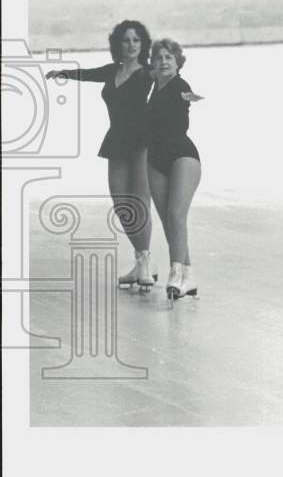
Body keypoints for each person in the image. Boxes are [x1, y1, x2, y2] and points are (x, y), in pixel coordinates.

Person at [45, 21, 155, 288]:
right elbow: (88, 73)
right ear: (117, 44)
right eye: (126, 40)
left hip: (142, 142)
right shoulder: (112, 70)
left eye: (136, 40)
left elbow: (170, 82)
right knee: (121, 204)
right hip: (117, 140)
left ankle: (145, 263)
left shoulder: (148, 73)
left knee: (140, 202)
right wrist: (63, 72)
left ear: (143, 45)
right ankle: (141, 262)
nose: (131, 45)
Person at [146, 38, 203, 302]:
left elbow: (184, 97)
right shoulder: (152, 88)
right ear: (153, 64)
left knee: (176, 215)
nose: (164, 61)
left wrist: (188, 98)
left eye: (169, 57)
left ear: (178, 63)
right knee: (169, 220)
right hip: (155, 158)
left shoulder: (180, 86)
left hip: (183, 155)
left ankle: (176, 275)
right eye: (159, 57)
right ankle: (188, 276)